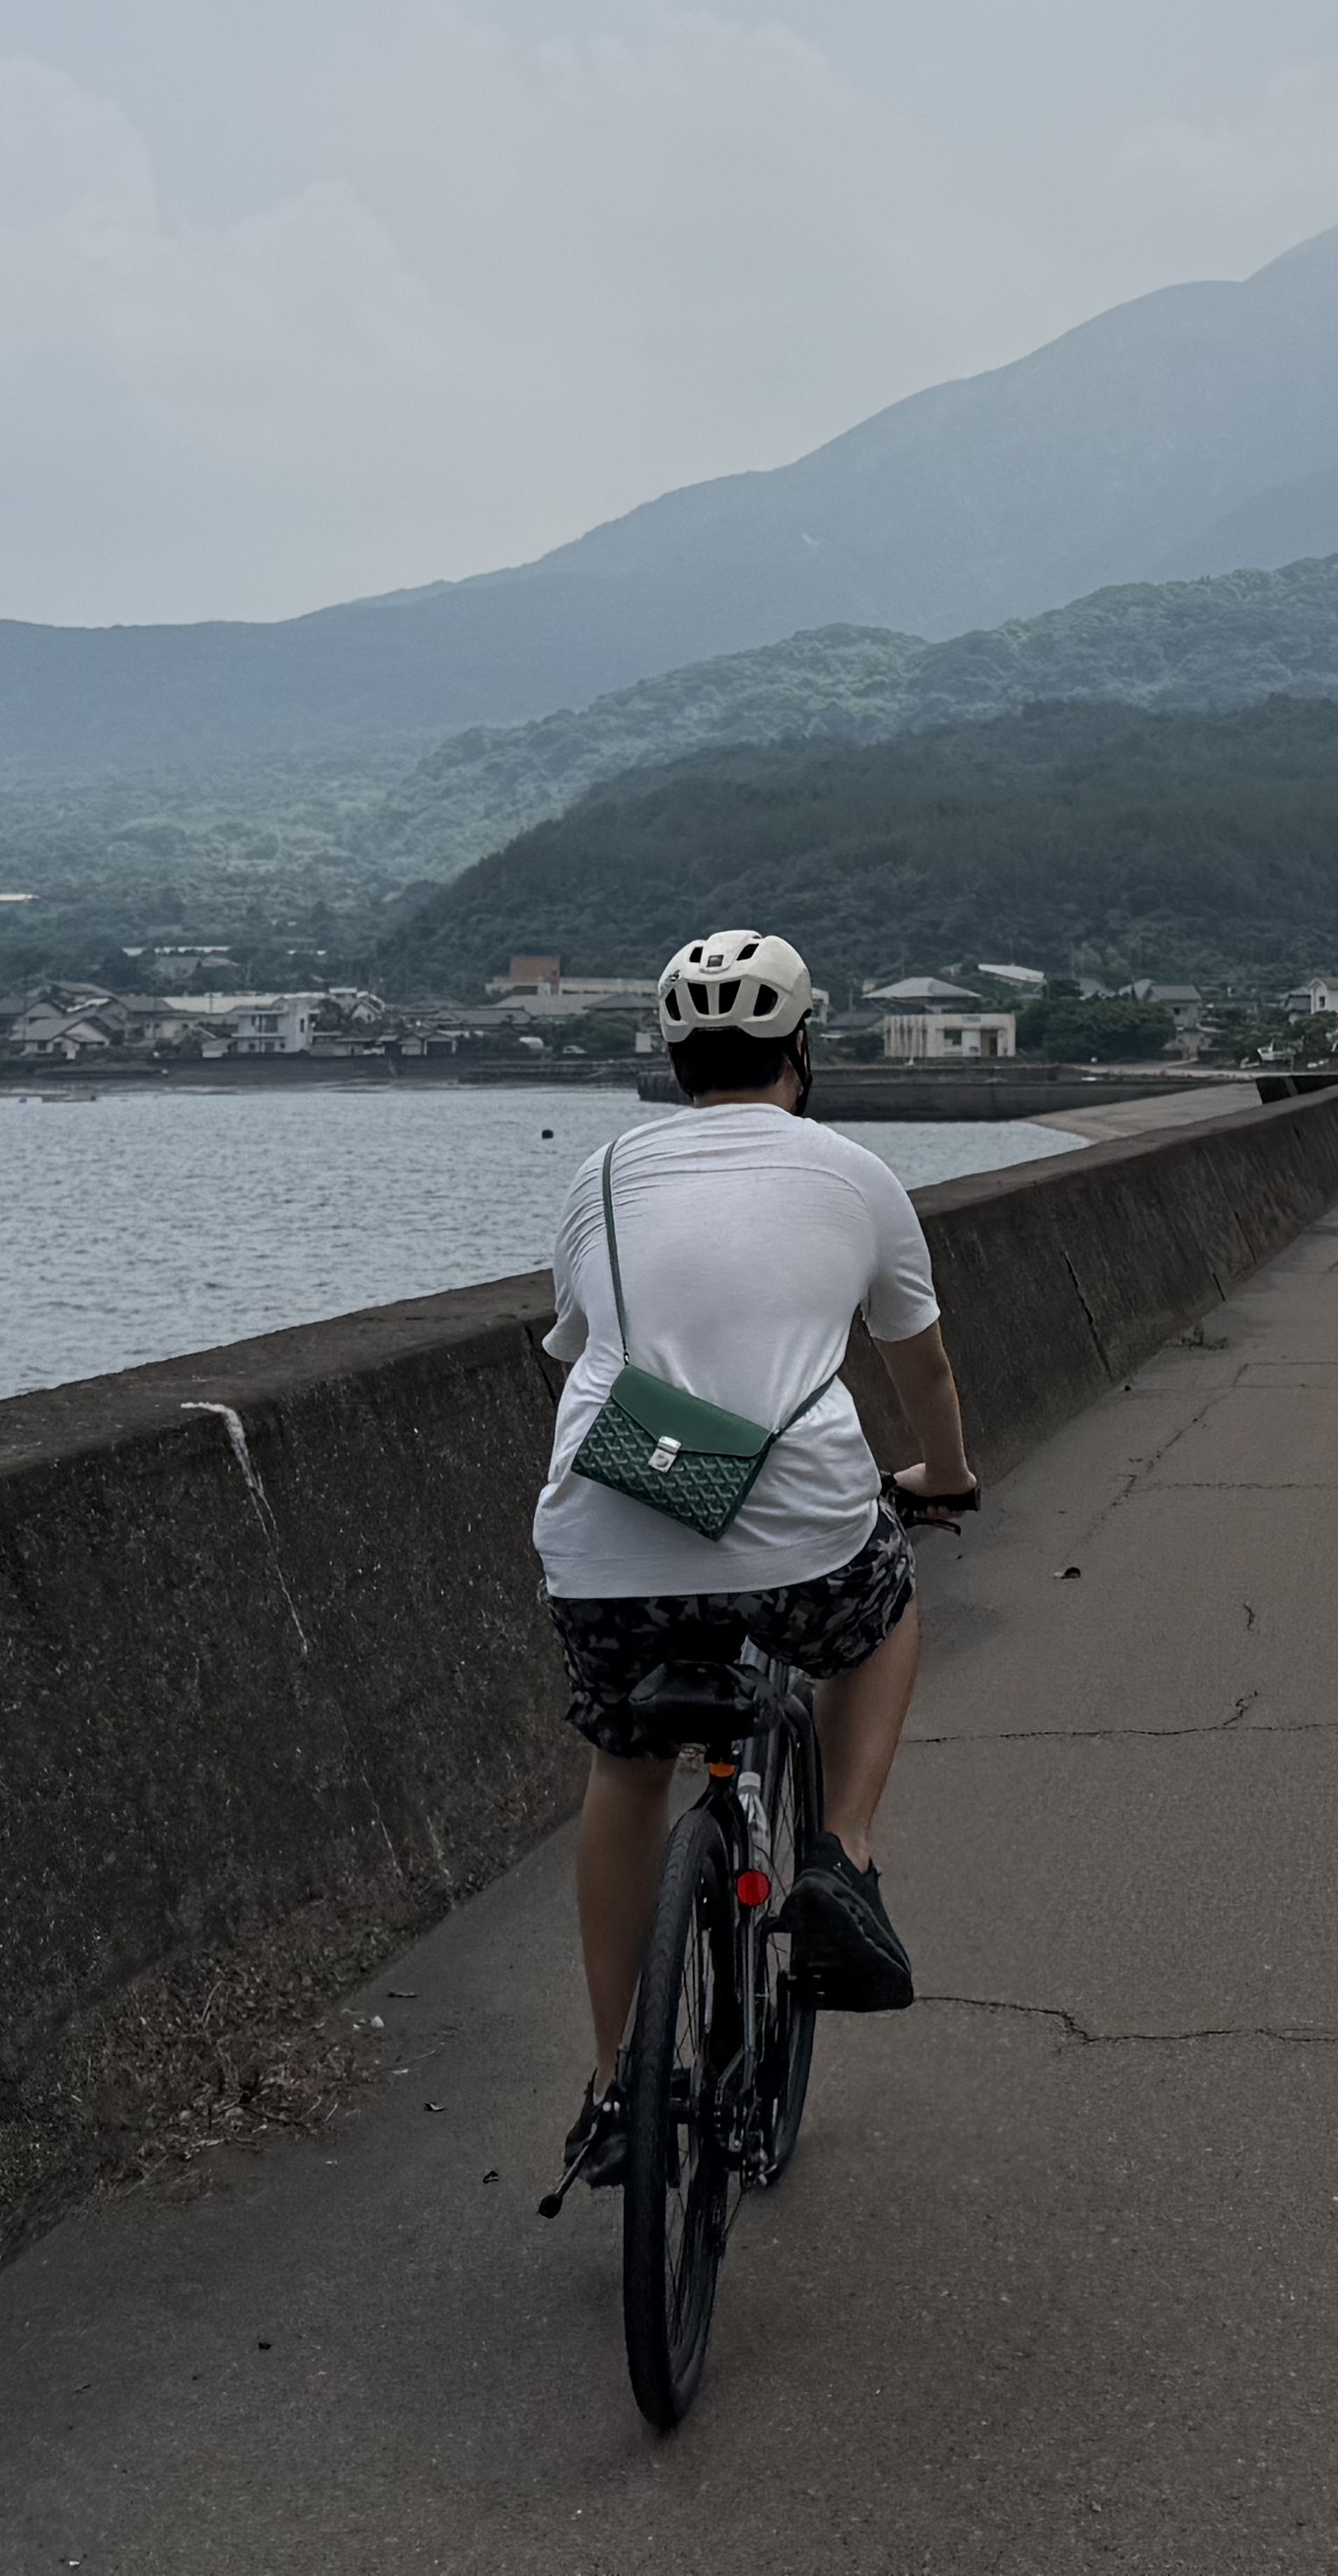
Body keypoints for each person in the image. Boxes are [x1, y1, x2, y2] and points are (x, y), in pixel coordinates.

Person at [536, 926, 980, 2211]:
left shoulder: (604, 1179)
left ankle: (621, 2086)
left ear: (676, 1059)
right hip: (799, 1515)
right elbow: (923, 1370)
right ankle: (838, 1850)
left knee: (625, 1765)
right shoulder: (852, 1175)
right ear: (802, 1046)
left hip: (616, 1511)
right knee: (882, 1609)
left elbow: (576, 1346)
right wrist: (942, 1476)